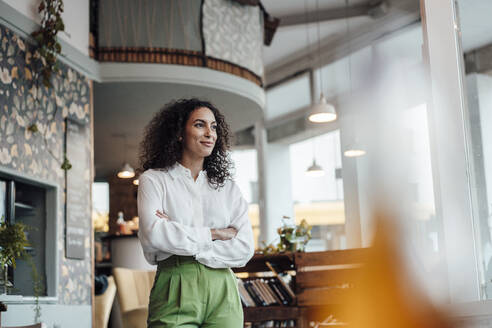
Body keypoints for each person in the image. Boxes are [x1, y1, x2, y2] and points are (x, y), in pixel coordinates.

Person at [137, 98, 255, 327]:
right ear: (179, 132)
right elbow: (154, 235)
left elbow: (244, 248)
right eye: (200, 125)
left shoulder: (227, 188)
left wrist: (179, 233)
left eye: (213, 126)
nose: (210, 133)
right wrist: (215, 233)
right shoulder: (154, 180)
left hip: (223, 287)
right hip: (175, 283)